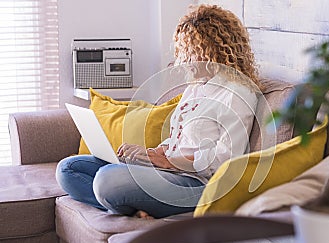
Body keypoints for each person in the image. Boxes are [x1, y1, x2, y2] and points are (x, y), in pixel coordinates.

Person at [56, 4, 262, 219]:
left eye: (191, 53)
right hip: (168, 172)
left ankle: (124, 202)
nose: (184, 62)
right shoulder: (196, 87)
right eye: (183, 53)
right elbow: (179, 140)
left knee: (108, 180)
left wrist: (168, 161)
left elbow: (226, 160)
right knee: (69, 169)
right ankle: (133, 209)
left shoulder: (237, 93)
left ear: (213, 52)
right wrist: (152, 153)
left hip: (197, 184)